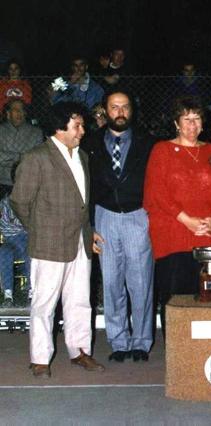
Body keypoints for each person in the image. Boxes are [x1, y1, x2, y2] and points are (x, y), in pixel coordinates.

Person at [10, 102, 105, 378]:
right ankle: (40, 358)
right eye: (77, 125)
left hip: (80, 241)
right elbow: (19, 201)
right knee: (44, 303)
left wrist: (89, 230)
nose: (82, 130)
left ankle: (80, 351)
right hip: (48, 243)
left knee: (80, 300)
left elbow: (82, 203)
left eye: (82, 125)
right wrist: (40, 229)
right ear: (60, 127)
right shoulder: (36, 157)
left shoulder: (83, 157)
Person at [144, 96, 211, 333]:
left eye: (197, 119)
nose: (192, 125)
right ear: (176, 123)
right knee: (175, 296)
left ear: (203, 124)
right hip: (173, 233)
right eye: (186, 119)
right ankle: (176, 351)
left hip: (207, 232)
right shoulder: (161, 150)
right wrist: (187, 221)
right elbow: (156, 192)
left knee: (207, 295)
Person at [81, 89, 154, 363]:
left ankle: (141, 342)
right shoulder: (89, 143)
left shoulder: (148, 143)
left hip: (137, 216)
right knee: (111, 282)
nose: (120, 112)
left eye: (125, 106)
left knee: (141, 282)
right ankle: (119, 341)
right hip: (105, 217)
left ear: (131, 110)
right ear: (105, 110)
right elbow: (85, 188)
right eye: (114, 107)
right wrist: (89, 227)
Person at [0, 164, 30, 308]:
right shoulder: (6, 202)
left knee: (31, 250)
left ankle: (32, 292)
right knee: (4, 252)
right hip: (12, 240)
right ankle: (8, 295)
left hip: (30, 241)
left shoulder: (35, 198)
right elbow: (5, 226)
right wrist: (23, 228)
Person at [0, 99, 44, 198]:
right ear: (8, 113)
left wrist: (7, 157)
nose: (20, 112)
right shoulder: (1, 131)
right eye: (15, 109)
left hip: (27, 182)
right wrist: (20, 156)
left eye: (22, 109)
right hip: (2, 181)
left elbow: (36, 159)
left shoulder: (36, 133)